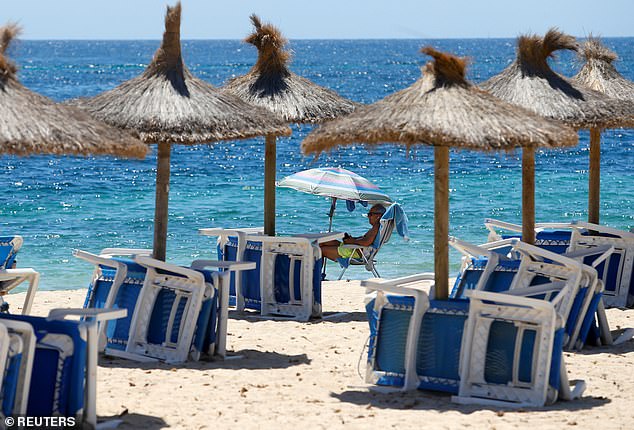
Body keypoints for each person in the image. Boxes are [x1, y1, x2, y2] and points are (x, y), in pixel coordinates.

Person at [319, 204, 386, 262]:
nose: (368, 216)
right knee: (322, 242)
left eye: (370, 214)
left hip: (354, 252)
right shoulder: (376, 228)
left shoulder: (376, 227)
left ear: (378, 216)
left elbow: (366, 242)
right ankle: (316, 273)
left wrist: (352, 241)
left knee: (320, 250)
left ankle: (316, 274)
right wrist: (352, 239)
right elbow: (365, 239)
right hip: (353, 248)